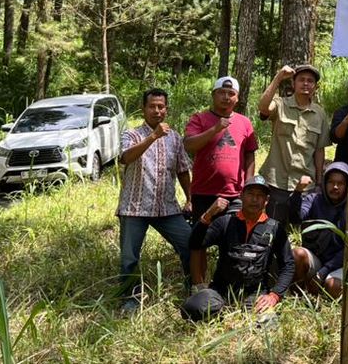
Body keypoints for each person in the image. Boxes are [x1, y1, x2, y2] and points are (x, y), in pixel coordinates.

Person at [116, 88, 194, 312]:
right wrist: (153, 136)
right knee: (129, 257)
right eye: (152, 106)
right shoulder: (131, 134)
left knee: (189, 245)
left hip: (166, 208)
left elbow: (182, 170)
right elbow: (126, 157)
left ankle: (192, 288)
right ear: (144, 109)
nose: (157, 111)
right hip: (134, 207)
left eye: (161, 107)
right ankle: (131, 299)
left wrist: (189, 198)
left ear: (166, 109)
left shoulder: (175, 137)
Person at [181, 176, 294, 322]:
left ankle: (239, 315)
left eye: (260, 196)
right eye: (250, 194)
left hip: (255, 294)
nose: (255, 199)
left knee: (269, 325)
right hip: (221, 291)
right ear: (241, 196)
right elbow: (195, 244)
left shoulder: (275, 228)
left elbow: (288, 264)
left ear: (266, 201)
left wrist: (274, 295)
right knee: (192, 308)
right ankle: (223, 314)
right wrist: (208, 215)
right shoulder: (225, 222)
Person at [183, 77, 258, 230]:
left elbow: (250, 154)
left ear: (237, 98)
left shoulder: (244, 122)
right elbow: (189, 145)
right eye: (221, 92)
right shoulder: (199, 118)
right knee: (200, 238)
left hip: (235, 194)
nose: (226, 97)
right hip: (203, 192)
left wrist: (248, 185)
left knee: (233, 236)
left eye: (231, 93)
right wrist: (215, 129)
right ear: (213, 95)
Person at [257, 64, 329, 224]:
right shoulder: (280, 104)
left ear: (315, 87)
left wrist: (318, 182)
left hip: (305, 184)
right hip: (277, 182)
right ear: (293, 84)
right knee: (272, 230)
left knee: (299, 231)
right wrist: (278, 78)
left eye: (310, 81)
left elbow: (319, 150)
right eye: (301, 80)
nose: (305, 83)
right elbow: (262, 107)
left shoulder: (320, 114)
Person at [290, 162, 348, 298]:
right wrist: (297, 192)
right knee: (297, 254)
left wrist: (323, 272)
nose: (335, 187)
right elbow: (297, 217)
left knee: (333, 286)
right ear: (324, 183)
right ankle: (298, 296)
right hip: (317, 258)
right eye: (331, 182)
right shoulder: (314, 199)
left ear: (347, 185)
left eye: (340, 183)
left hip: (339, 263)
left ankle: (321, 298)